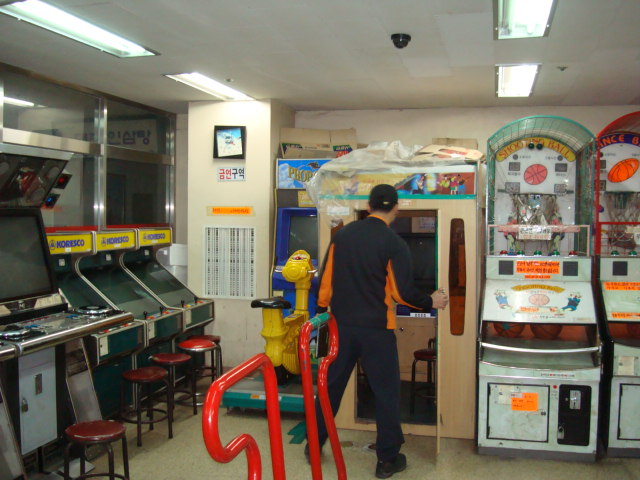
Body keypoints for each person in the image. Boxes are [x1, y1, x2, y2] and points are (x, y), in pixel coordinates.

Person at [307, 183, 449, 478]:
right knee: (386, 393)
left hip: (342, 328)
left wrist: (321, 312)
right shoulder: (394, 243)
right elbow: (402, 292)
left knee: (330, 387)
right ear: (396, 208)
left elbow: (325, 282)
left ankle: (314, 444)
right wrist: (430, 301)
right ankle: (387, 460)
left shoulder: (342, 236)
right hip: (377, 331)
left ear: (369, 206)